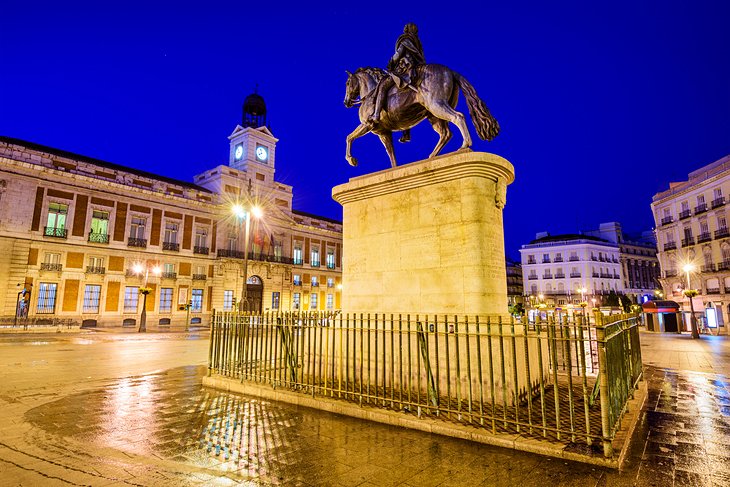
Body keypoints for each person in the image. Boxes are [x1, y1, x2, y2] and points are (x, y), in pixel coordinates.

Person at [370, 23, 426, 142]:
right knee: (407, 100)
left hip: (404, 69)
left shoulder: (405, 39)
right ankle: (406, 131)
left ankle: (376, 114)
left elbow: (399, 53)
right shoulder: (417, 42)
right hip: (415, 68)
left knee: (383, 86)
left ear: (406, 30)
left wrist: (391, 62)